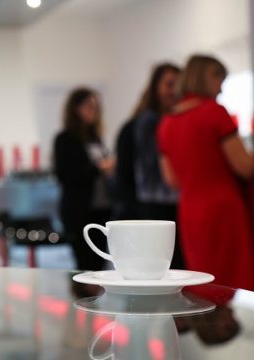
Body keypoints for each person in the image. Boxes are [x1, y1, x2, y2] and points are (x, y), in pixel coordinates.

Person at [158, 54, 254, 290]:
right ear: (208, 76)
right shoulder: (213, 112)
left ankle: (207, 327)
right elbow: (245, 166)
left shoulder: (166, 123)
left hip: (190, 210)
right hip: (223, 209)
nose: (221, 88)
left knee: (203, 282)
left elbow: (171, 179)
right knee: (234, 282)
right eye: (220, 79)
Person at [114, 63, 186, 269]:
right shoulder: (134, 128)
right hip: (146, 215)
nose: (174, 91)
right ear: (155, 87)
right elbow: (124, 178)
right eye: (169, 84)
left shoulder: (180, 123)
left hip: (182, 210)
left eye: (179, 85)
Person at [53, 87, 115, 271]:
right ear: (75, 109)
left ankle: (96, 299)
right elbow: (66, 175)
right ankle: (82, 298)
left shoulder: (95, 138)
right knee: (85, 265)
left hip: (102, 208)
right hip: (79, 211)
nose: (93, 111)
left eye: (95, 107)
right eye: (88, 106)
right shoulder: (65, 139)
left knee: (100, 263)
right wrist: (100, 168)